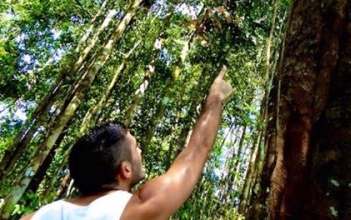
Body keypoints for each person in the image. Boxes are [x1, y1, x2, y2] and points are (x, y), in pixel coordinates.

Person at [21, 67, 233, 220]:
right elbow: (198, 149)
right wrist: (215, 97)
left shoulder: (38, 215)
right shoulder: (136, 209)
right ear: (125, 169)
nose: (140, 150)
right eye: (136, 147)